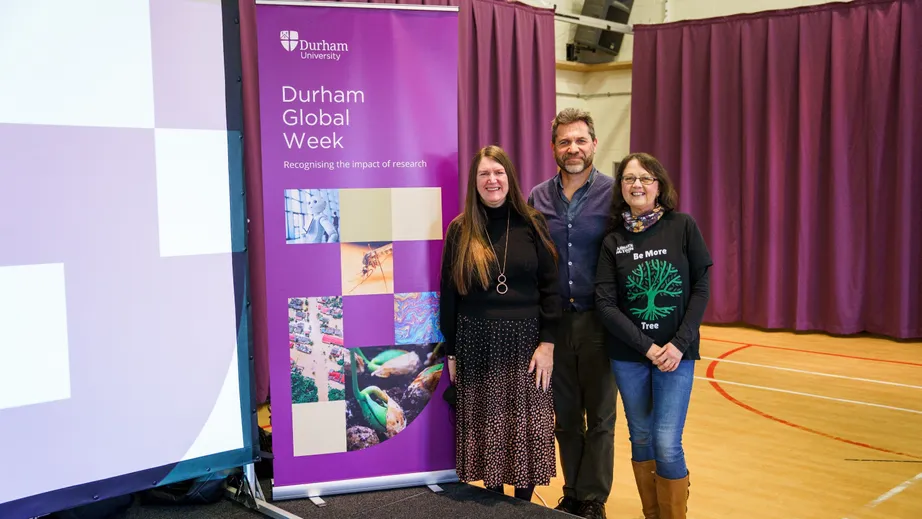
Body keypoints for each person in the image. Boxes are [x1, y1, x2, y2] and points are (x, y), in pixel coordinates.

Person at [439, 145, 562, 502]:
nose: (492, 180)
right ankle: (495, 504)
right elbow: (449, 296)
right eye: (484, 174)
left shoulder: (533, 223)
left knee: (526, 430)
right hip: (475, 341)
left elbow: (552, 288)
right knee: (488, 433)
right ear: (475, 183)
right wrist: (451, 353)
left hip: (527, 343)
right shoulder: (460, 230)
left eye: (498, 173)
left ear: (510, 177)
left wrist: (548, 344)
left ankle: (521, 506)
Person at [595, 153, 712, 519]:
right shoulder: (613, 240)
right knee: (641, 437)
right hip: (630, 357)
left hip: (677, 355)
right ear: (621, 189)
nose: (637, 185)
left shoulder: (682, 226)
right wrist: (647, 347)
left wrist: (677, 345)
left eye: (645, 178)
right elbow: (605, 303)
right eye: (629, 179)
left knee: (666, 441)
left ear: (659, 185)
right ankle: (653, 514)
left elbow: (702, 286)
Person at [528, 108, 616, 519]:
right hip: (554, 325)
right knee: (565, 417)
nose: (573, 148)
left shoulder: (614, 194)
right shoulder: (536, 197)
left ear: (594, 144)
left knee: (599, 416)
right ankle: (572, 492)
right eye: (565, 142)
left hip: (601, 322)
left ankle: (593, 499)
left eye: (581, 140)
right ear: (553, 149)